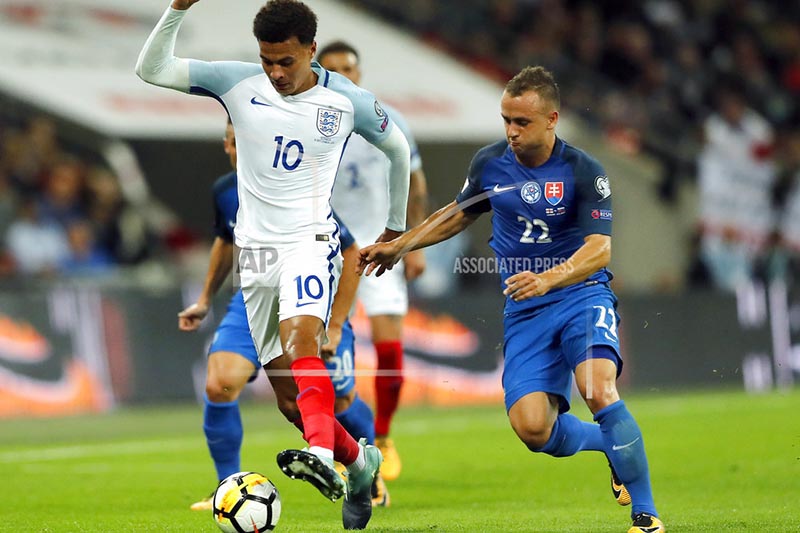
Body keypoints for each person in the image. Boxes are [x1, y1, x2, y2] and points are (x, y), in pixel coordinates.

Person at [137, 0, 412, 528]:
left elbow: (397, 149)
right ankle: (360, 461)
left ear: (311, 49)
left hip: (311, 240)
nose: (277, 72)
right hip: (256, 255)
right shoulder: (237, 81)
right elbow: (151, 70)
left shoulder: (346, 100)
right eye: (268, 61)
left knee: (302, 341)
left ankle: (325, 457)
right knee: (290, 401)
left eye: (286, 60)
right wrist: (176, 9)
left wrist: (395, 228)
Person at [358, 66, 665, 533]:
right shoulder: (490, 164)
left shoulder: (584, 171)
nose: (511, 132)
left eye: (522, 122)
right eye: (506, 120)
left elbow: (600, 249)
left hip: (581, 294)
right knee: (533, 429)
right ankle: (609, 445)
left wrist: (549, 279)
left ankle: (646, 516)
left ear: (552, 119)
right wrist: (399, 245)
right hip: (525, 311)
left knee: (599, 390)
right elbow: (455, 216)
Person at [178, 120, 385, 511]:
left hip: (303, 295)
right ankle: (227, 485)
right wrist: (205, 298)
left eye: (251, 140)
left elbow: (351, 250)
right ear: (227, 145)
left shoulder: (295, 187)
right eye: (237, 142)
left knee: (337, 402)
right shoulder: (225, 192)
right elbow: (226, 239)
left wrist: (337, 323)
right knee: (222, 384)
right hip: (253, 298)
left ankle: (365, 468)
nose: (245, 150)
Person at [317, 40, 430, 482]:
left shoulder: (389, 119)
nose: (344, 75)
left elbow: (417, 183)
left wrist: (413, 241)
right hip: (327, 249)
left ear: (360, 73)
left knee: (389, 351)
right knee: (326, 348)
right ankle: (343, 445)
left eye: (350, 67)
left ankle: (382, 437)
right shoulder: (311, 119)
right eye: (334, 69)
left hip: (380, 246)